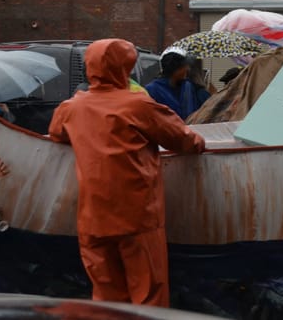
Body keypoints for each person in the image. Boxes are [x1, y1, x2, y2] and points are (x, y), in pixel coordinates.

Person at [48, 38, 206, 306]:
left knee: (106, 297)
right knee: (148, 296)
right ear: (127, 67)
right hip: (137, 215)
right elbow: (187, 141)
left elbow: (56, 133)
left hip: (93, 217)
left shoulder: (71, 108)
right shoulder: (138, 106)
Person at [145, 49, 208, 120]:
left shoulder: (189, 87)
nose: (188, 69)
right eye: (184, 66)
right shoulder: (152, 90)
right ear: (176, 70)